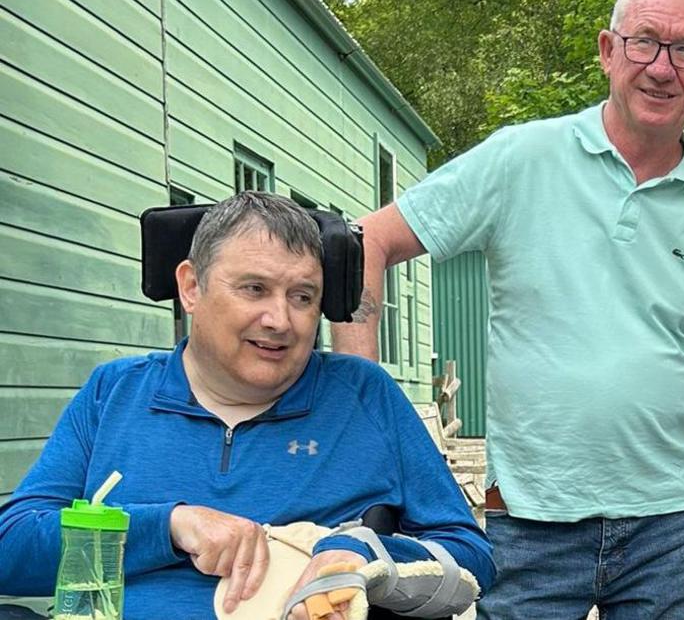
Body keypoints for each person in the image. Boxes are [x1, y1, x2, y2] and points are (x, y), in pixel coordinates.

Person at [329, 0, 684, 620]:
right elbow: (365, 243)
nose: (662, 68)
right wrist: (364, 421)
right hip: (530, 521)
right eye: (644, 42)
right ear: (609, 51)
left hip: (669, 528)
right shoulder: (521, 160)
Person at [0, 192, 493, 619]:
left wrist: (367, 558)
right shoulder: (115, 393)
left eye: (303, 297)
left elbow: (472, 558)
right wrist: (170, 526)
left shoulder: (363, 395)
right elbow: (12, 550)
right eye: (254, 289)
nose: (280, 319)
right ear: (191, 287)